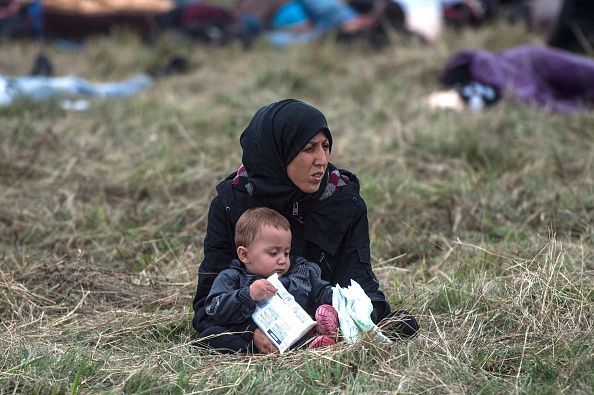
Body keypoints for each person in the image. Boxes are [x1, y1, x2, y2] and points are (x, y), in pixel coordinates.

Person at [192, 98, 419, 354]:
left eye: (325, 146)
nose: (321, 160)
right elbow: (208, 303)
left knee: (401, 323)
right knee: (211, 336)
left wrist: (356, 313)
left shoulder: (342, 199)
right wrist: (253, 331)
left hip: (325, 312)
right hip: (258, 319)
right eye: (309, 148)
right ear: (280, 152)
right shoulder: (232, 202)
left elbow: (358, 281)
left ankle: (326, 336)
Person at [198, 207, 340, 353]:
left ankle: (321, 335)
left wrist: (336, 299)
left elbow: (320, 290)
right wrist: (248, 294)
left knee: (320, 313)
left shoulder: (299, 273)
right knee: (212, 337)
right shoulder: (231, 278)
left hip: (298, 330)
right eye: (273, 253)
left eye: (286, 253)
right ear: (244, 255)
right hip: (255, 336)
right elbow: (214, 309)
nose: (282, 260)